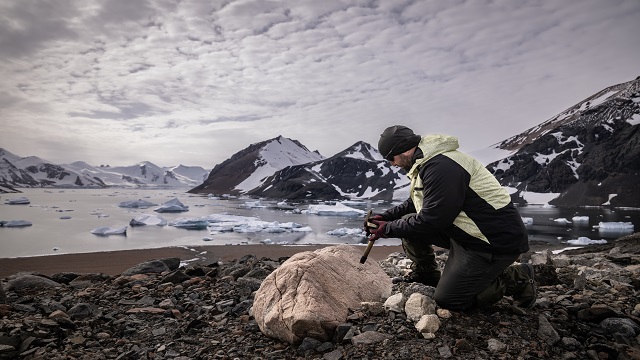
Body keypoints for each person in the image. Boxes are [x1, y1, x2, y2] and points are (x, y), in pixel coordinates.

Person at [364, 125, 535, 311]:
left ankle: (518, 277)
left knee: (450, 300)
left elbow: (434, 219)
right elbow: (416, 202)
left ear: (404, 150)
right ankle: (426, 275)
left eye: (391, 158)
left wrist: (386, 229)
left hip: (492, 241)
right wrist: (385, 217)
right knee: (407, 219)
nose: (392, 163)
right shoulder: (426, 163)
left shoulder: (442, 167)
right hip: (468, 232)